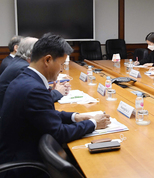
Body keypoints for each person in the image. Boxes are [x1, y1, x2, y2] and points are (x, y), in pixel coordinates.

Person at [0, 33, 111, 178]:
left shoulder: (25, 79)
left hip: (16, 151)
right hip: (23, 166)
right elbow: (59, 133)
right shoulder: (35, 89)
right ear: (47, 60)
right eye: (61, 64)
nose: (62, 69)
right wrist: (93, 123)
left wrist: (75, 116)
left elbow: (42, 114)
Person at [0, 37, 68, 109]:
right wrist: (58, 92)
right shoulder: (24, 68)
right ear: (33, 53)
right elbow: (36, 97)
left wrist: (51, 89)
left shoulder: (18, 62)